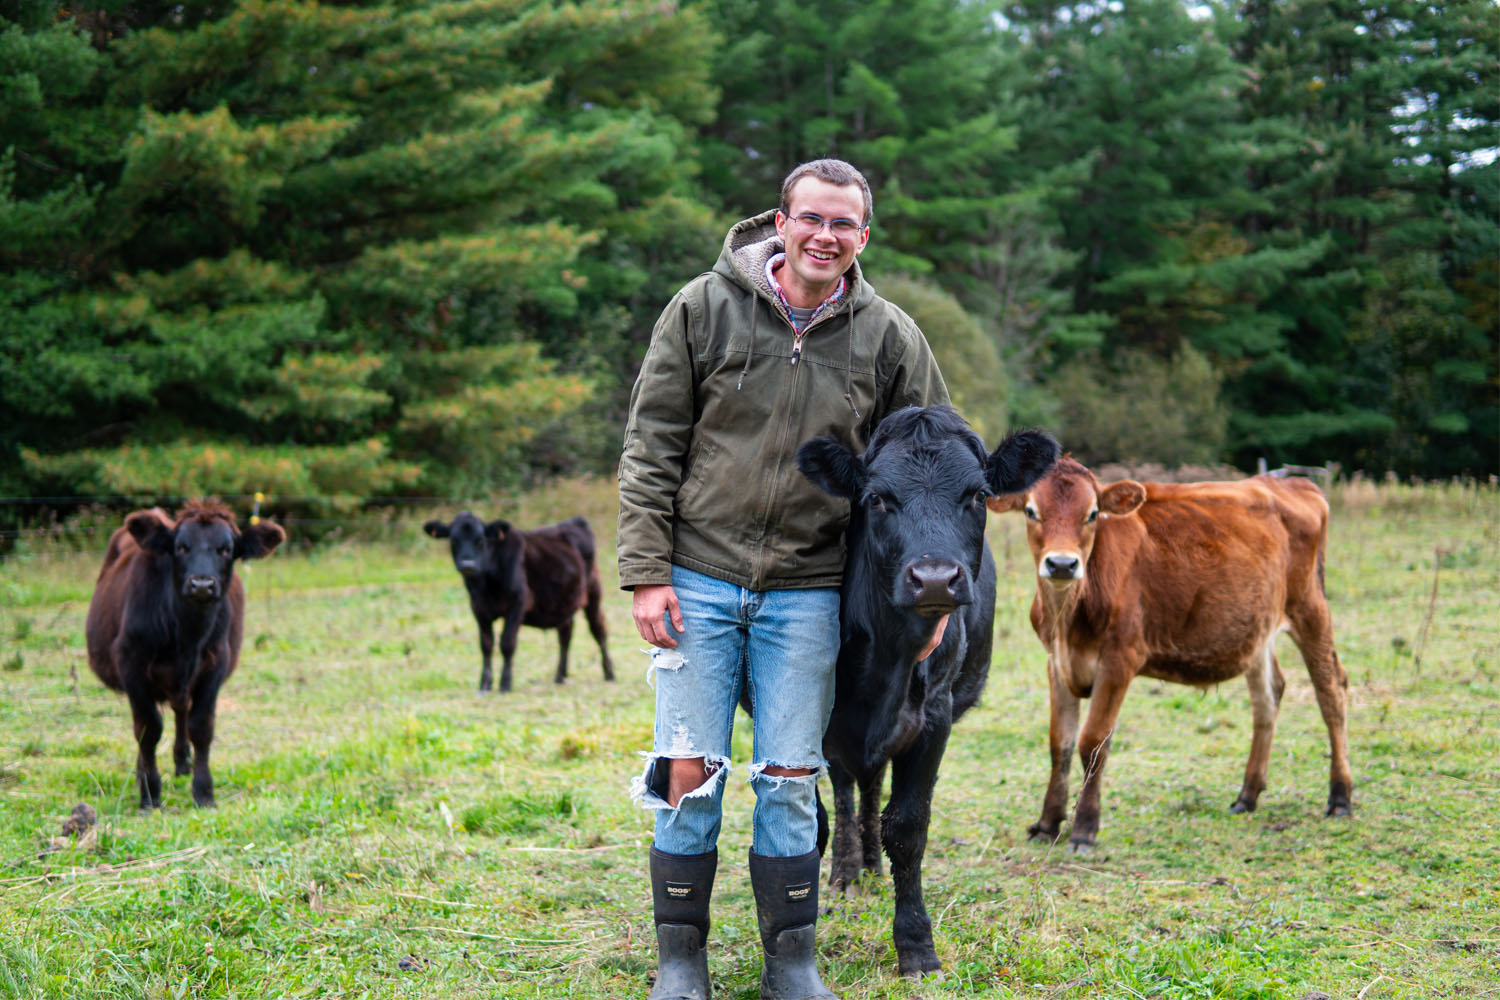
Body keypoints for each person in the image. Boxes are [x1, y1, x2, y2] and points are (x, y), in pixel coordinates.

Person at [618, 158, 949, 1000]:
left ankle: (791, 967)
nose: (825, 237)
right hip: (697, 574)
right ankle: (680, 964)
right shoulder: (701, 308)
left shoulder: (891, 338)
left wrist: (929, 596)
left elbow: (933, 461)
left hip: (810, 587)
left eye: (843, 224)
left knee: (791, 777)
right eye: (811, 219)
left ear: (862, 236)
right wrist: (647, 572)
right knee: (686, 768)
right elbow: (652, 443)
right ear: (780, 220)